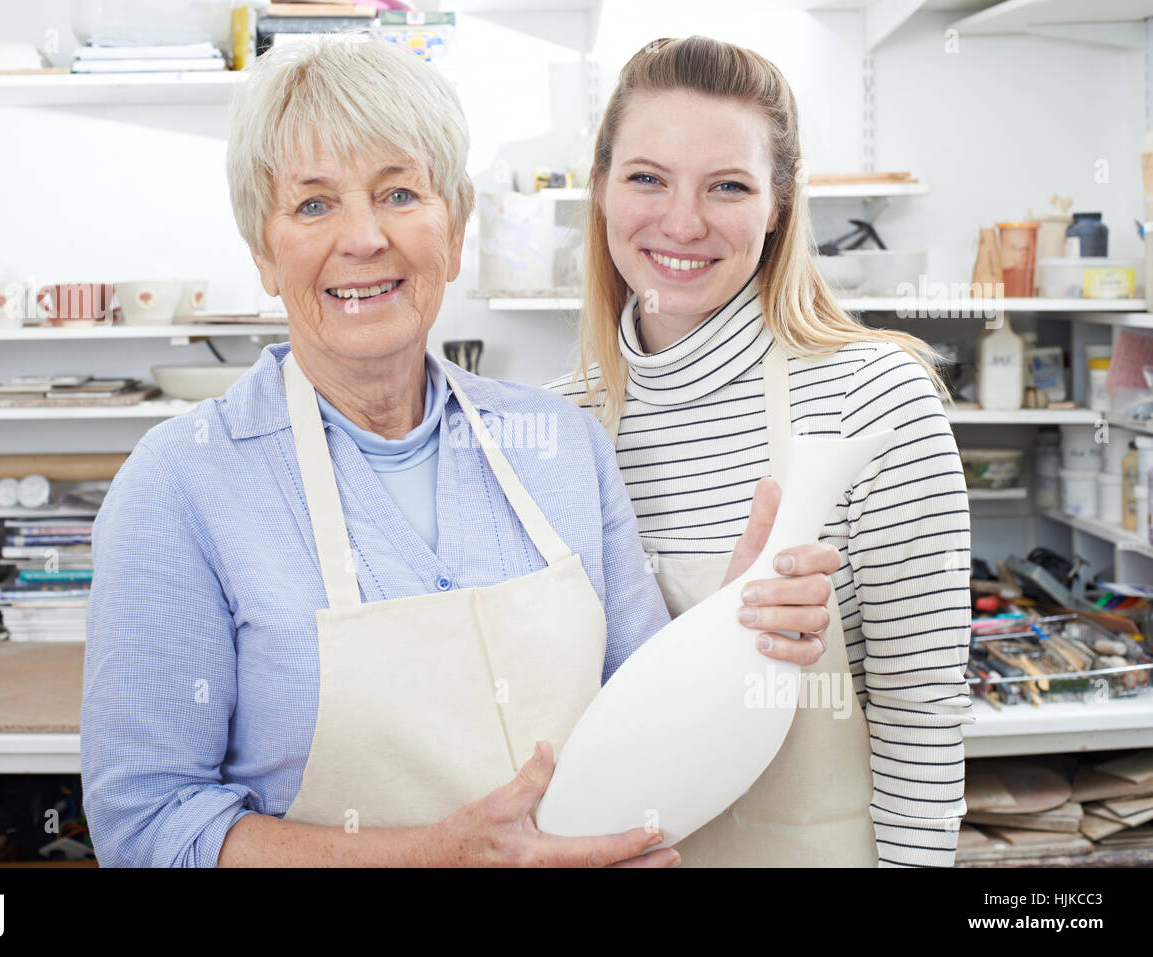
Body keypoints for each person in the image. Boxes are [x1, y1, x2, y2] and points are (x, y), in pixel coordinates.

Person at [80, 36, 839, 868]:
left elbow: (642, 726)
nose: (364, 238)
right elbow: (148, 824)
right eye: (313, 205)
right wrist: (437, 853)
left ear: (455, 228)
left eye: (400, 193)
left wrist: (730, 633)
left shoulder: (559, 448)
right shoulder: (182, 481)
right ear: (263, 252)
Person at [547, 36, 973, 867]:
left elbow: (922, 719)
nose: (681, 222)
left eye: (728, 187)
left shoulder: (871, 401)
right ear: (598, 190)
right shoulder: (564, 426)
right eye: (646, 178)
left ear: (778, 206)